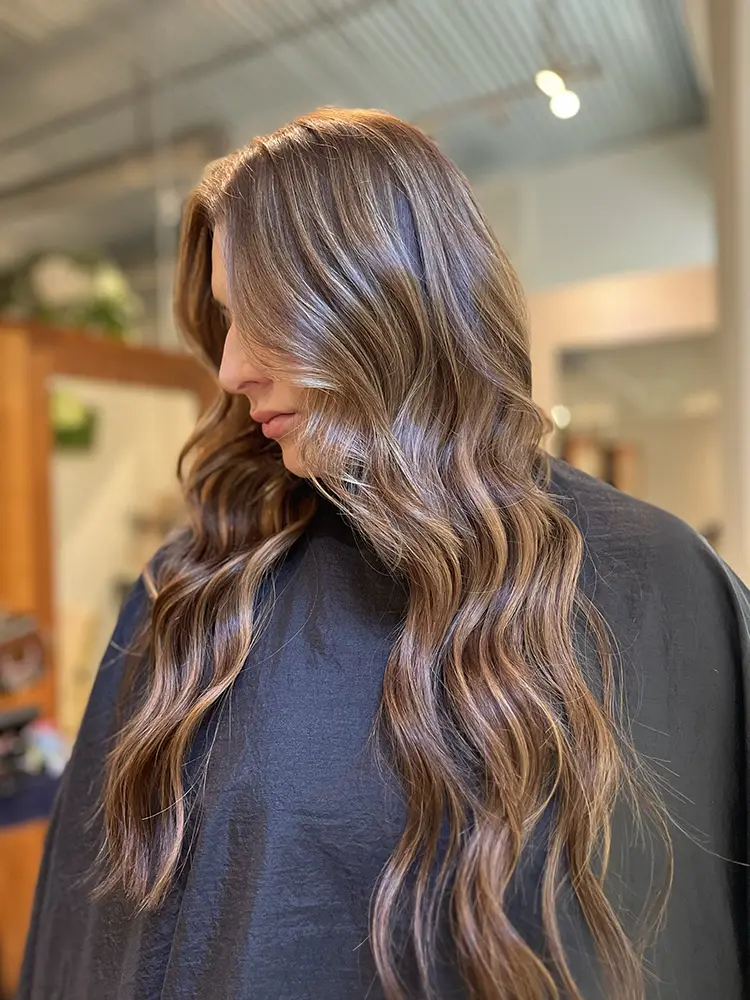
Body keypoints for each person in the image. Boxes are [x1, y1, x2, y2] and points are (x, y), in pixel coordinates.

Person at [19, 109, 749, 1000]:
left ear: (387, 295)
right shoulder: (200, 594)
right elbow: (97, 945)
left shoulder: (658, 580)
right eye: (226, 320)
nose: (231, 369)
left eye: (269, 315)